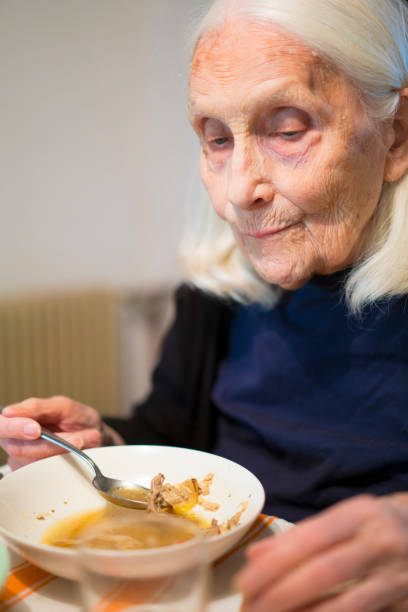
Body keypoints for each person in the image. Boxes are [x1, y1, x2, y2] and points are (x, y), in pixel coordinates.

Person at [2, 0, 408, 608]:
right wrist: (103, 445)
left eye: (289, 128)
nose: (239, 191)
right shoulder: (218, 283)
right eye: (217, 139)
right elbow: (173, 434)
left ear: (397, 134)